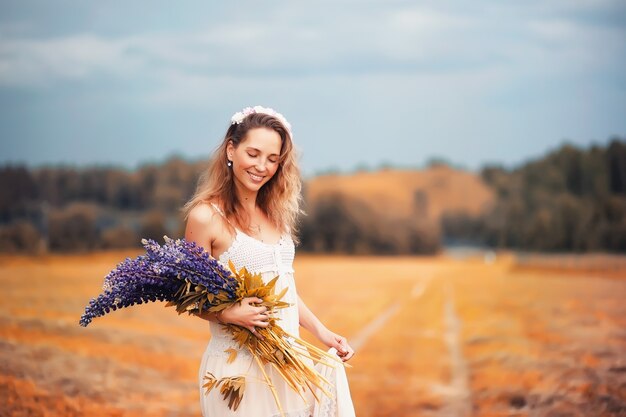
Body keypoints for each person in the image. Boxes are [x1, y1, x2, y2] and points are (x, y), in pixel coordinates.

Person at [183, 106, 356, 417]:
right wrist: (229, 314)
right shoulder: (205, 217)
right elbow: (189, 297)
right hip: (237, 373)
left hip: (287, 364)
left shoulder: (277, 217)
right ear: (231, 149)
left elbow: (284, 289)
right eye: (253, 153)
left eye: (272, 159)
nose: (261, 166)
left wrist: (322, 331)